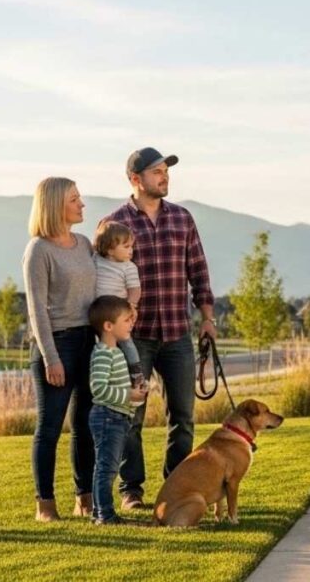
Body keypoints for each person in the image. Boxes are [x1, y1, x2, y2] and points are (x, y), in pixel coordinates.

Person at [104, 147, 216, 511]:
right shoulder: (114, 224)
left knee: (183, 418)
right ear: (135, 179)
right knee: (131, 417)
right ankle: (131, 490)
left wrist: (208, 318)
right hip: (133, 339)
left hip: (177, 333)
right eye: (157, 171)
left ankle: (176, 488)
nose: (164, 176)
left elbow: (199, 272)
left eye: (166, 171)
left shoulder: (182, 219)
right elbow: (104, 281)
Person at [23, 177, 97, 522]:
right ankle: (45, 505)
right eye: (74, 199)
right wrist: (51, 357)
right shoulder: (38, 249)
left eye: (79, 198)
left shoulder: (84, 244)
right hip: (57, 343)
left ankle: (85, 499)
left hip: (89, 340)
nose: (81, 204)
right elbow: (36, 309)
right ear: (55, 205)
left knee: (84, 424)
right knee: (50, 427)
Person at [87, 295, 149, 525]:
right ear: (108, 326)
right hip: (107, 418)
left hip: (118, 417)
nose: (131, 324)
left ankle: (100, 513)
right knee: (106, 468)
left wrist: (137, 395)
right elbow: (99, 389)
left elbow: (120, 391)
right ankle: (104, 515)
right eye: (126, 320)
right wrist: (128, 395)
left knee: (108, 467)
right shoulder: (103, 352)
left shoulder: (116, 352)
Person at [92, 219, 143, 383]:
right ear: (110, 249)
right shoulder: (96, 259)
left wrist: (131, 306)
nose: (131, 251)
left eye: (131, 246)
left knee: (126, 341)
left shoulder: (129, 267)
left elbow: (135, 289)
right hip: (98, 311)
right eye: (126, 247)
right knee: (99, 343)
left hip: (117, 313)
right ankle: (102, 371)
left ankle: (136, 371)